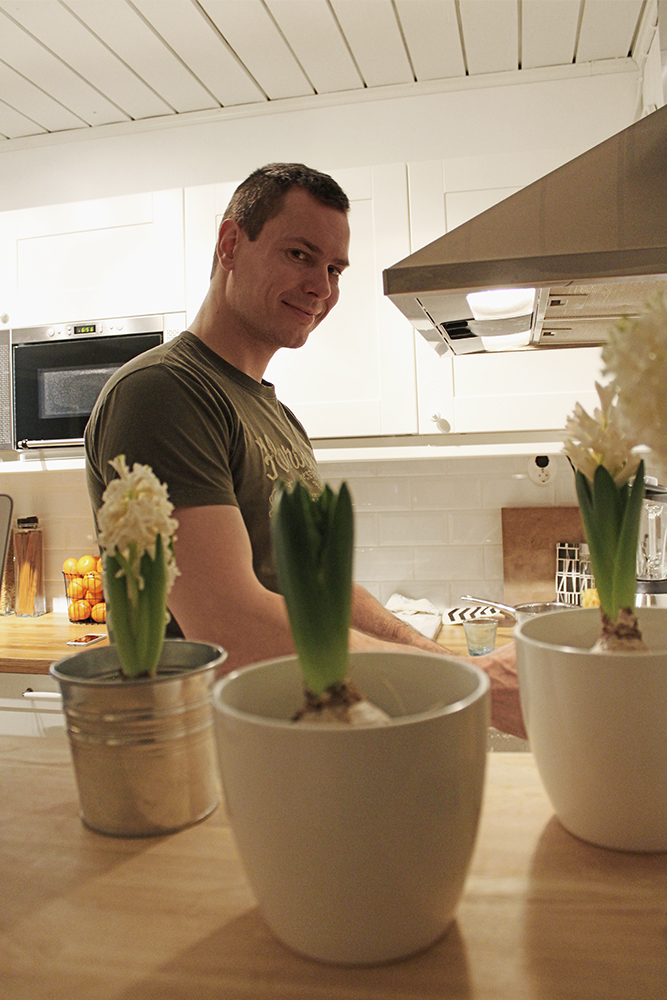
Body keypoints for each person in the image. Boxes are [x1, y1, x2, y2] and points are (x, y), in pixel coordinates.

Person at [85, 162, 526, 739]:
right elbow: (229, 625)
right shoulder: (163, 392)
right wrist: (470, 685)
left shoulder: (276, 415)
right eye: (299, 254)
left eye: (335, 268)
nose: (323, 287)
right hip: (201, 756)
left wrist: (458, 669)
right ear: (230, 244)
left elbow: (322, 596)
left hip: (286, 740)